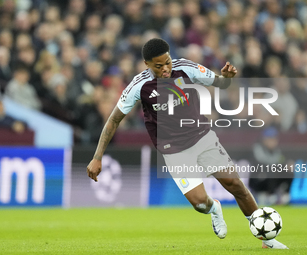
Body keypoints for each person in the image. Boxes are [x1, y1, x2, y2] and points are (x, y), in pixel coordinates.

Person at [86, 38, 288, 249]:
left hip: (202, 137)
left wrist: (227, 78)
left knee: (235, 184)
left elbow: (221, 82)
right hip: (173, 150)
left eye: (168, 62)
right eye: (158, 65)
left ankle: (267, 239)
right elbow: (113, 120)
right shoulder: (139, 85)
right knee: (200, 203)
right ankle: (214, 208)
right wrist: (97, 157)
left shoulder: (185, 68)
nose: (165, 68)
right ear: (147, 64)